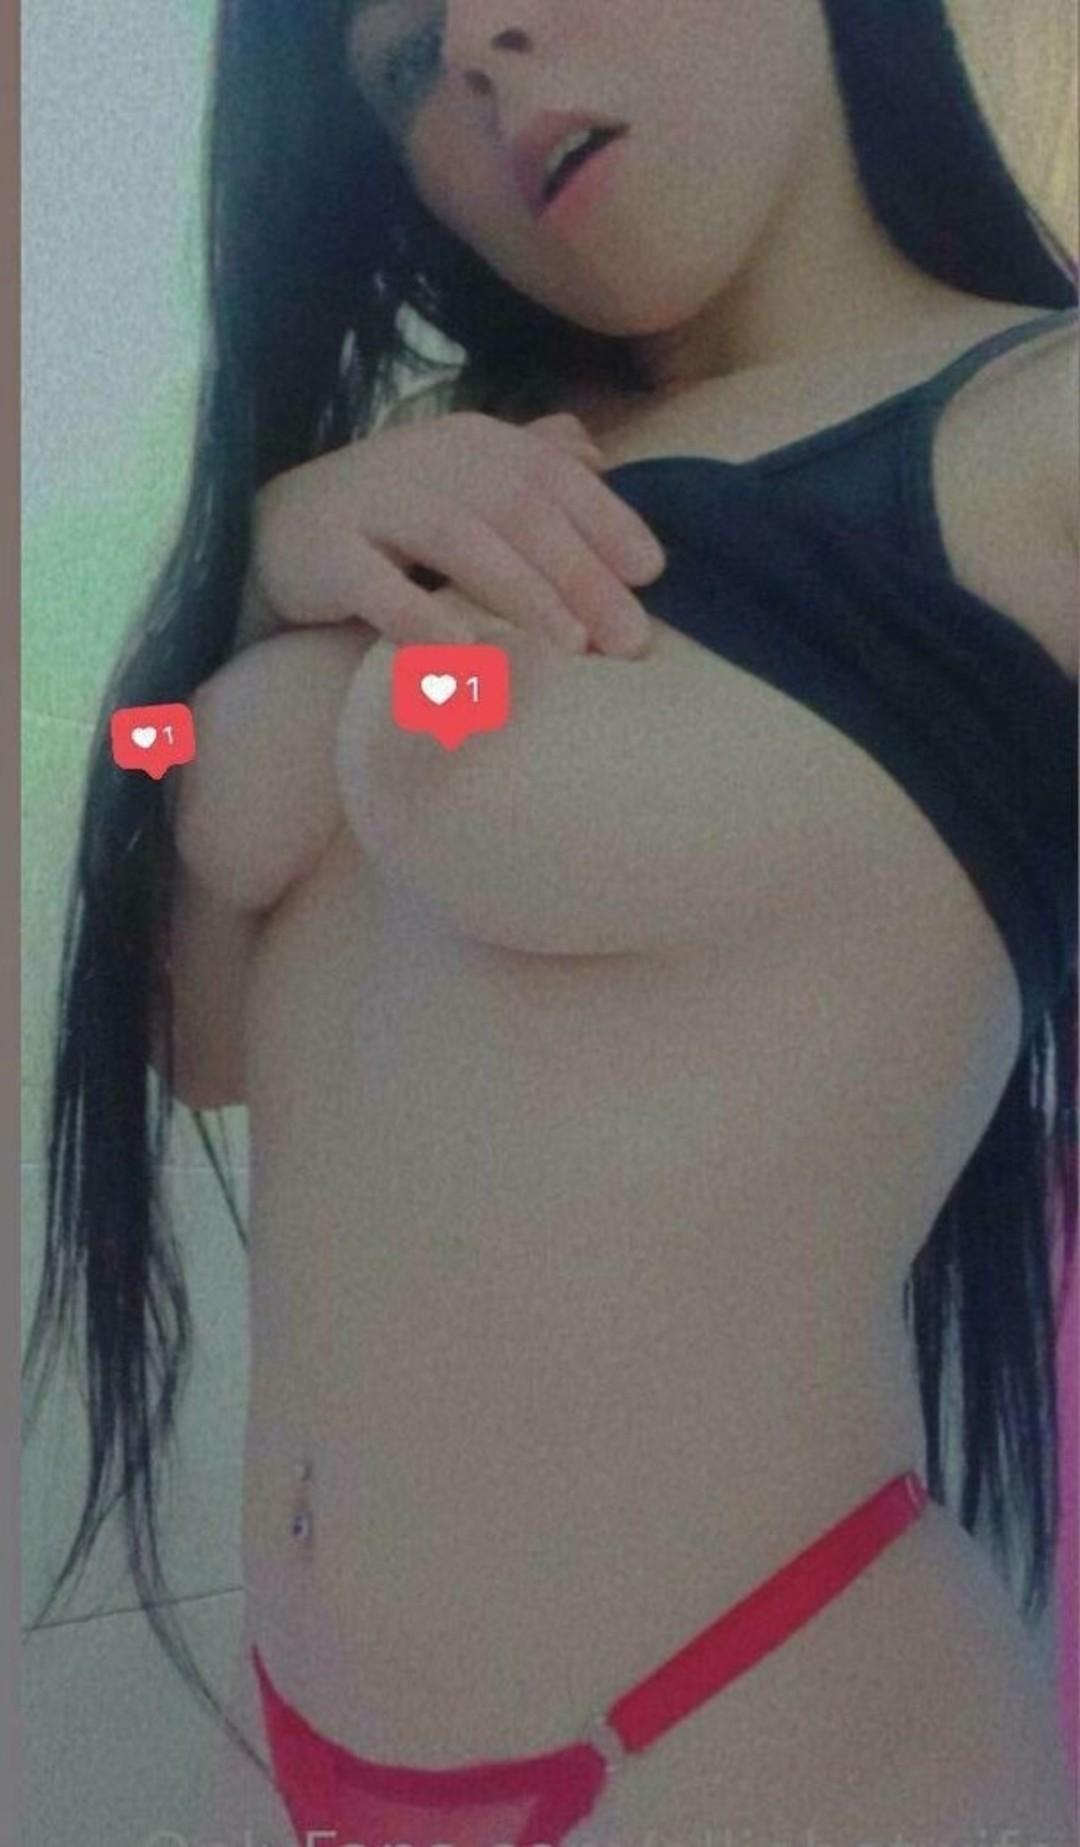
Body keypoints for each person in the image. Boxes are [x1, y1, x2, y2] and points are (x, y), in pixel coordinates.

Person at [23, 0, 1078, 1840]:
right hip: (310, 1749)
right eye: (400, 65)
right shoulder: (442, 453)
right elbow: (198, 1043)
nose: (479, 55)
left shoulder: (1035, 436)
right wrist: (258, 570)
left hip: (760, 1749)